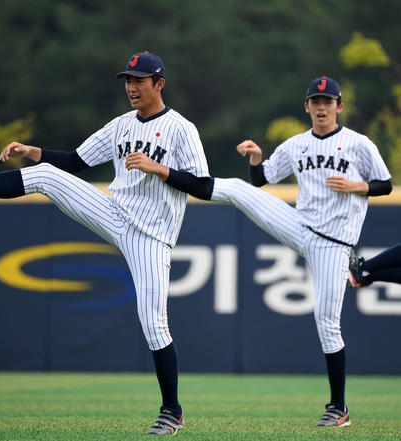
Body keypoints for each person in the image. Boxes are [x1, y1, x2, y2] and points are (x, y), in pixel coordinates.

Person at [0, 51, 211, 435]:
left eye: (139, 80)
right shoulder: (121, 126)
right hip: (113, 211)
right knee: (44, 173)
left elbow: (203, 186)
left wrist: (158, 168)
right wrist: (32, 152)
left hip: (152, 237)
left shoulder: (181, 128)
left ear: (159, 84)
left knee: (155, 325)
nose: (131, 86)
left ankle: (171, 412)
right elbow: (76, 161)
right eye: (127, 80)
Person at [141, 76, 392, 427]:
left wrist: (356, 185)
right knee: (240, 190)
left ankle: (339, 408)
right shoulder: (296, 145)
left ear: (339, 106)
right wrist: (257, 159)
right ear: (306, 106)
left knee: (326, 324)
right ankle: (192, 182)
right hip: (298, 225)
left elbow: (386, 184)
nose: (321, 107)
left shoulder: (358, 144)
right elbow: (263, 180)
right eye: (315, 101)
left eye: (328, 101)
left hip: (333, 243)